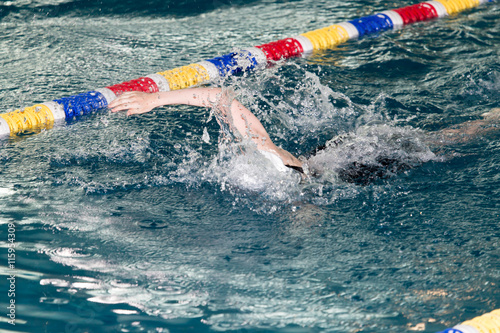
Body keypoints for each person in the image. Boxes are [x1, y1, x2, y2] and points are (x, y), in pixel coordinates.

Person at [109, 87, 500, 183]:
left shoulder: (273, 162)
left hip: (362, 161)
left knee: (443, 144)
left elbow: (222, 98)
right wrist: (155, 100)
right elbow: (220, 98)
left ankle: (490, 121)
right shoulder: (260, 151)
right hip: (333, 153)